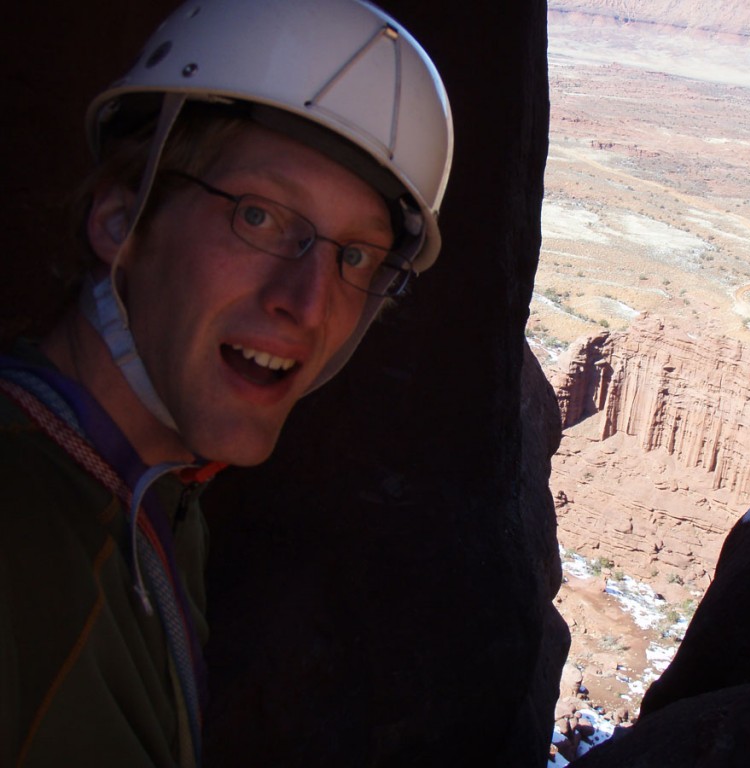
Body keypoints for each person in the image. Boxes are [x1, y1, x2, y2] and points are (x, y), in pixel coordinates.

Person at [0, 0, 453, 764]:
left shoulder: (152, 496)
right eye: (259, 216)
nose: (306, 303)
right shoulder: (22, 535)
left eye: (355, 258)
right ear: (123, 219)